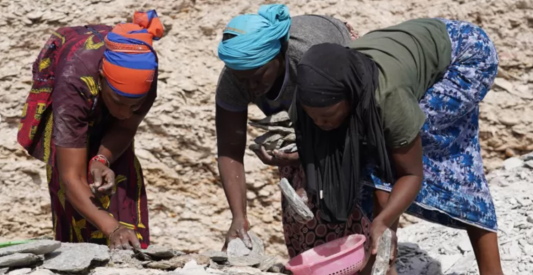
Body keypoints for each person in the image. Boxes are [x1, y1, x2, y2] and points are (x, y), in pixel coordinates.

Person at [293, 19, 502, 274]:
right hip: (419, 48)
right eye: (313, 117)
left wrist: (382, 221)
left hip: (467, 56)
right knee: (372, 150)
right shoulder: (315, 94)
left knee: (425, 154)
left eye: (327, 116)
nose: (320, 123)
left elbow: (411, 173)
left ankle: (490, 270)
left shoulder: (386, 97)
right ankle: (383, 259)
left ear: (350, 96)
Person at [214, 3, 366, 253]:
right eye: (243, 79)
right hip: (299, 123)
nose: (250, 87)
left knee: (346, 191)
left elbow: (351, 125)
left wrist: (309, 156)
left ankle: (358, 256)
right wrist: (238, 217)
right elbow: (229, 150)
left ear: (280, 55)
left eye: (258, 76)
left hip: (340, 111)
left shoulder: (311, 59)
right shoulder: (236, 77)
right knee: (300, 210)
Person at [17, 10, 163, 250]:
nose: (126, 112)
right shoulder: (74, 81)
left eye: (134, 105)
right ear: (102, 77)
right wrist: (113, 228)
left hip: (101, 100)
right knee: (74, 188)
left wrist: (102, 158)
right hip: (74, 92)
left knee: (121, 179)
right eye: (119, 102)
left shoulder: (146, 69)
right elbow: (70, 176)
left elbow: (126, 126)